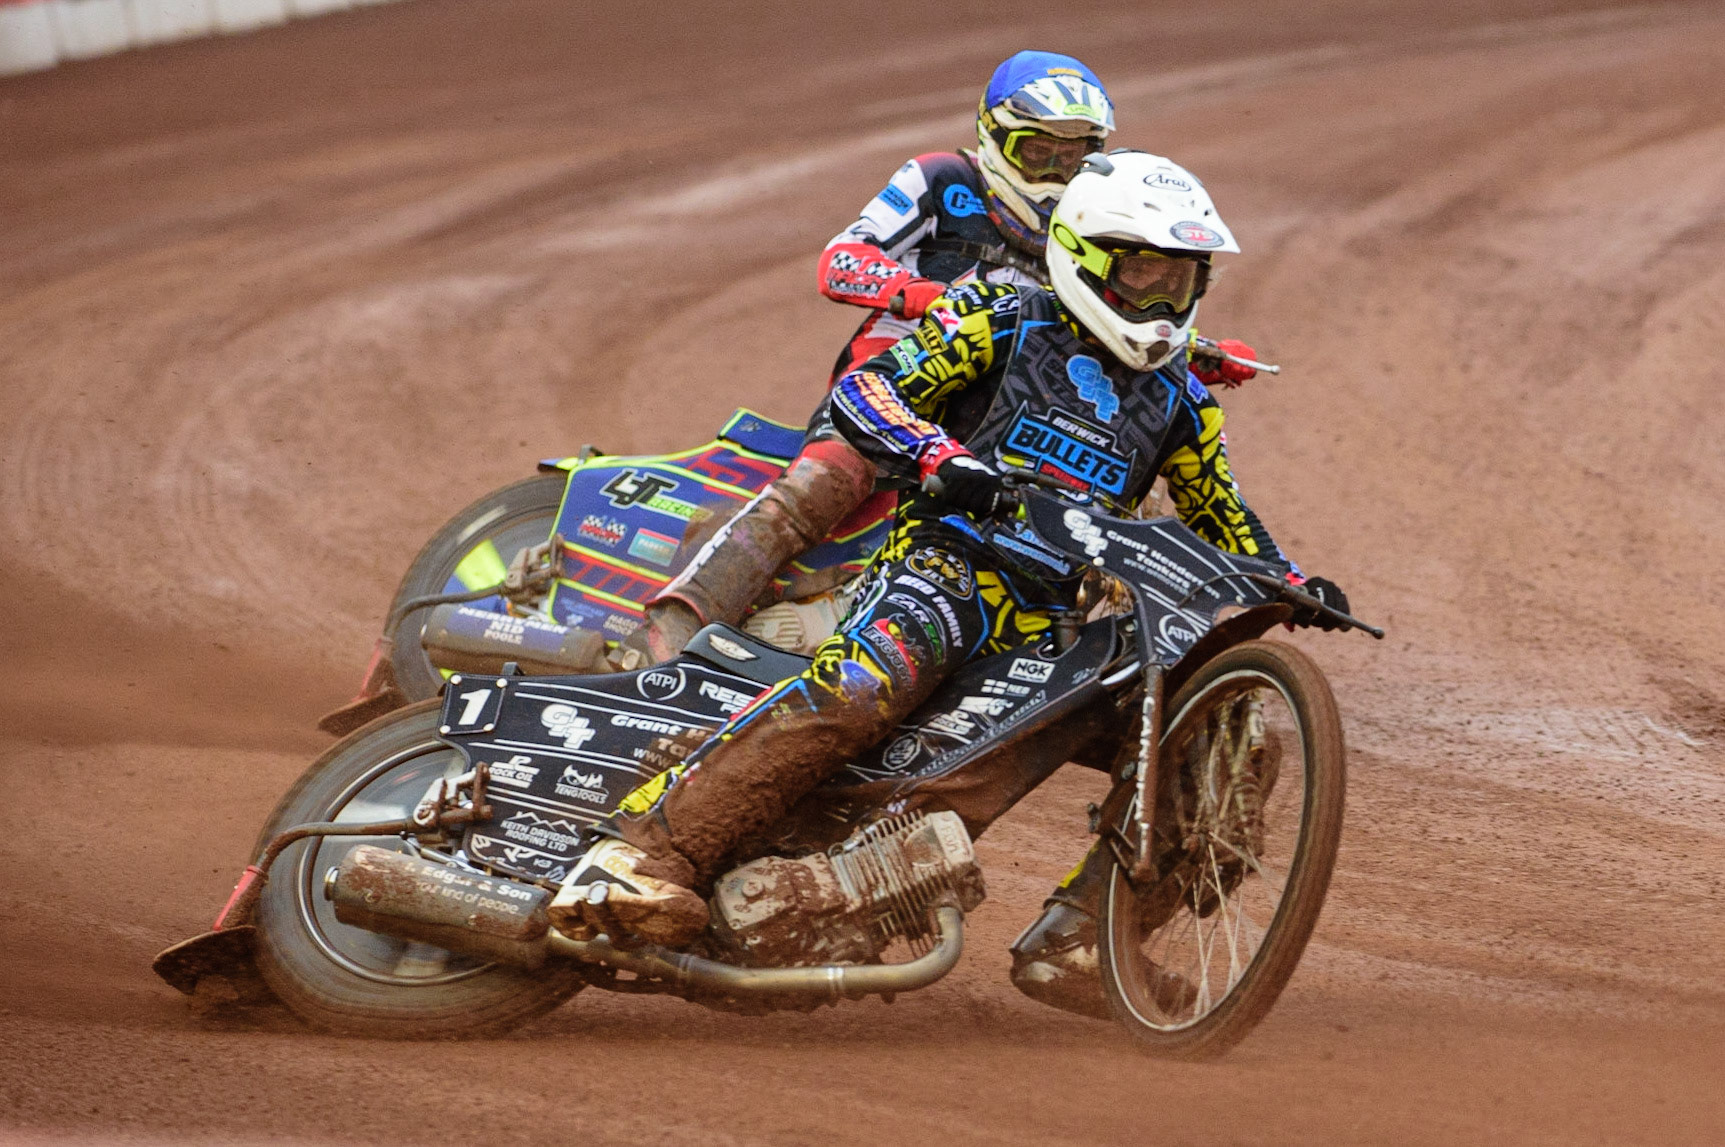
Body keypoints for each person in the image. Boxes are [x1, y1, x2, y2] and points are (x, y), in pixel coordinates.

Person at [551, 151, 1351, 1018]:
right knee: (870, 679)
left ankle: (1085, 937)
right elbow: (868, 395)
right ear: (1084, 255)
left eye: (1182, 278)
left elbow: (1222, 513)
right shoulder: (1003, 314)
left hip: (1054, 620)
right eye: (1143, 271)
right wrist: (943, 456)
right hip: (946, 567)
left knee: (1235, 743)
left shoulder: (1184, 401)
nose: (1162, 298)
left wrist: (1295, 581)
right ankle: (639, 854)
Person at [638, 51, 1261, 662]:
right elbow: (841, 258)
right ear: (994, 135)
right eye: (1038, 152)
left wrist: (1195, 351)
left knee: (1126, 489)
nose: (1054, 172)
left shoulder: (1092, 220)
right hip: (899, 379)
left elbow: (1100, 315)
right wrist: (922, 294)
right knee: (833, 475)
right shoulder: (940, 179)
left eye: (1074, 156)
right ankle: (687, 611)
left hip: (1010, 401)